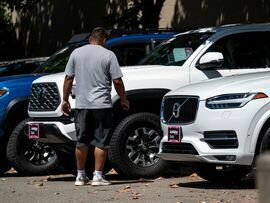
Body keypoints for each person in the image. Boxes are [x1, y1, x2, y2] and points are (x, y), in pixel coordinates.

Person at [61, 27, 129, 186]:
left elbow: (68, 78)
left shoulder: (76, 53)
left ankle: (80, 176)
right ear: (104, 40)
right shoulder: (108, 55)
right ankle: (97, 176)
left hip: (82, 105)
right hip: (102, 105)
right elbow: (117, 81)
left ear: (90, 39)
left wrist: (65, 100)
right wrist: (124, 99)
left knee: (81, 141)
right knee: (101, 141)